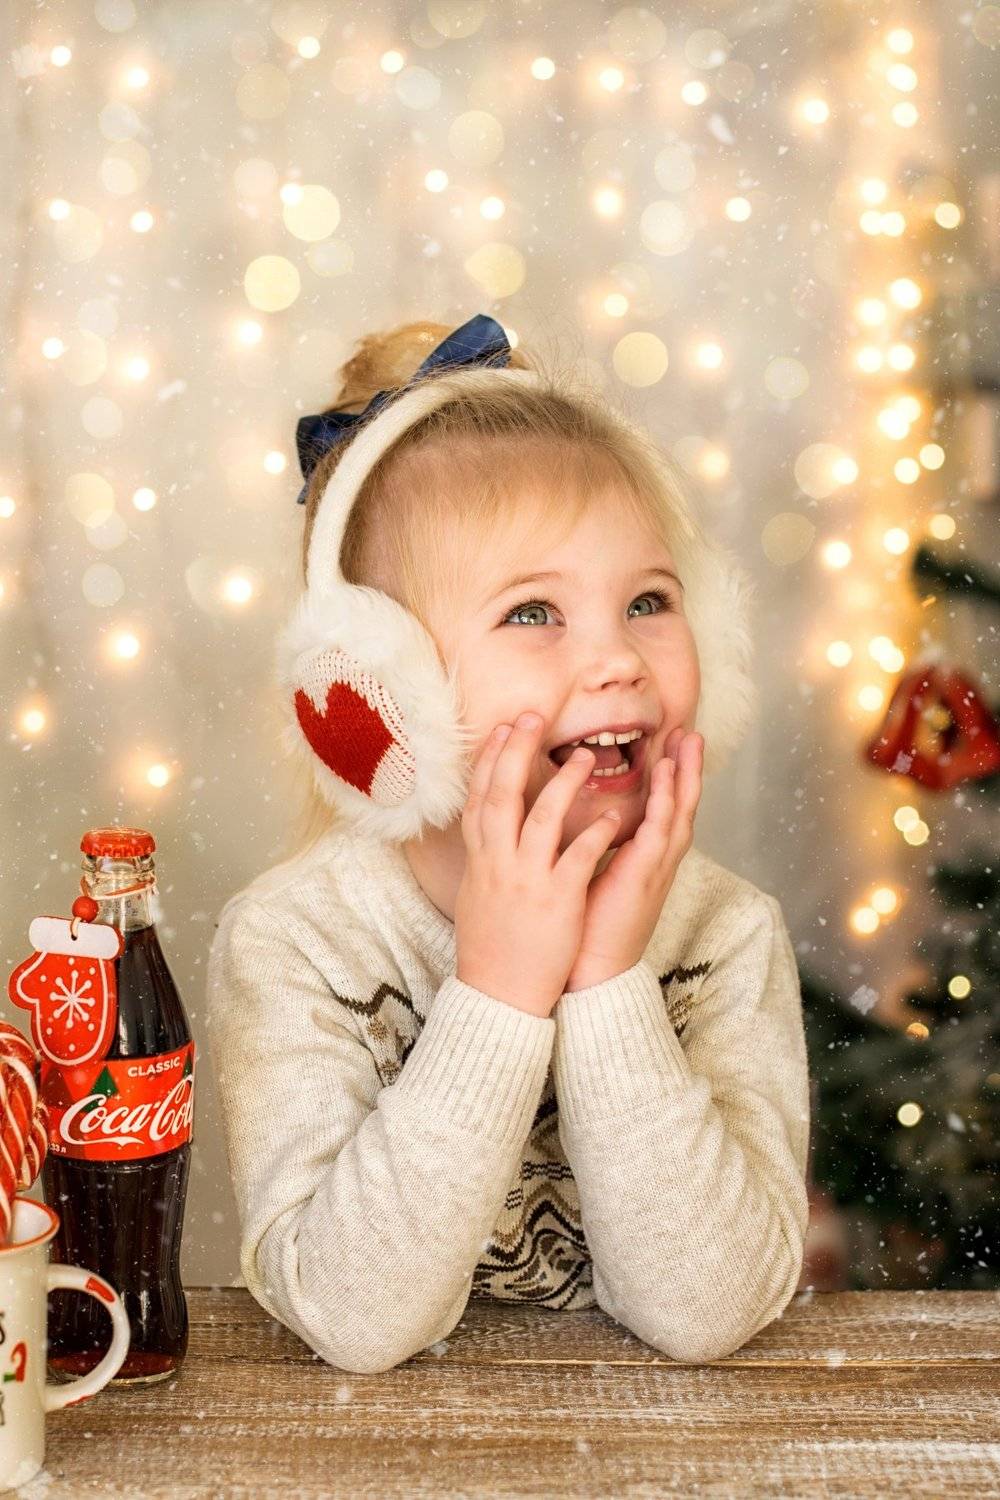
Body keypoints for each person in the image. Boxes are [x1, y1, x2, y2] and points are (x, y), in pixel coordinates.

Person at [206, 314, 811, 1376]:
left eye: (649, 602)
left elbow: (710, 1311)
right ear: (383, 688)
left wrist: (608, 981)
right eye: (533, 613)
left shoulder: (724, 933)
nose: (620, 660)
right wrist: (497, 992)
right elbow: (354, 1321)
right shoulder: (296, 942)